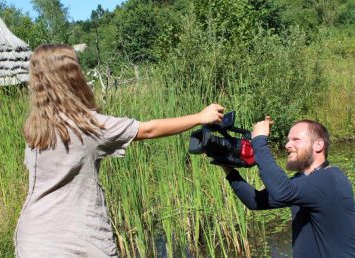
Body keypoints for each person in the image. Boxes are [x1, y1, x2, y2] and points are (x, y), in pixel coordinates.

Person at [14, 44, 224, 257]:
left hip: (32, 237)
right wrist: (200, 117)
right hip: (75, 241)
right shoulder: (87, 127)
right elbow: (149, 129)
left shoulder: (36, 131)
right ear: (72, 76)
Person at [223, 117, 355, 258]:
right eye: (288, 140)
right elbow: (255, 201)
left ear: (318, 145)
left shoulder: (330, 179)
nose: (287, 145)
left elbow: (282, 191)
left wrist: (259, 141)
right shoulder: (304, 181)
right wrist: (228, 168)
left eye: (296, 140)